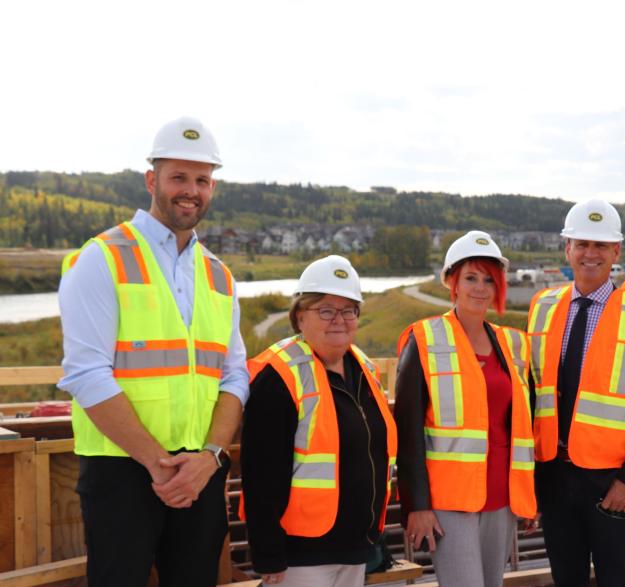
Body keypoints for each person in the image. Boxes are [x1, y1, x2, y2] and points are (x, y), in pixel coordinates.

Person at [58, 116, 248, 586]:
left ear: (212, 188)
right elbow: (86, 375)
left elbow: (234, 377)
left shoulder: (219, 275)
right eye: (178, 177)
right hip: (122, 470)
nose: (191, 190)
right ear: (152, 180)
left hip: (200, 473)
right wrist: (158, 465)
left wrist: (208, 458)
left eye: (202, 180)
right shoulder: (102, 258)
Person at [527, 199, 625, 587]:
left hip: (611, 483)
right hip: (554, 475)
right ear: (567, 248)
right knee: (565, 579)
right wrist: (530, 480)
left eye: (601, 246)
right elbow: (531, 396)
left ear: (616, 251)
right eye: (582, 244)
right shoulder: (543, 307)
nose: (591, 254)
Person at [240, 255, 398, 587]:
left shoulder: (363, 369)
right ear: (300, 316)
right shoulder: (279, 376)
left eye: (348, 310)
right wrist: (268, 551)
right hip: (301, 556)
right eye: (325, 310)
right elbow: (261, 472)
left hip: (356, 547)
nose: (338, 320)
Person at [394, 230, 536, 587]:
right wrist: (417, 505)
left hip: (503, 495)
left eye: (489, 279)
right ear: (452, 283)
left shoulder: (513, 344)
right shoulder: (425, 338)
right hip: (448, 501)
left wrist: (527, 496)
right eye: (470, 278)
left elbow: (521, 426)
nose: (480, 288)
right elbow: (407, 433)